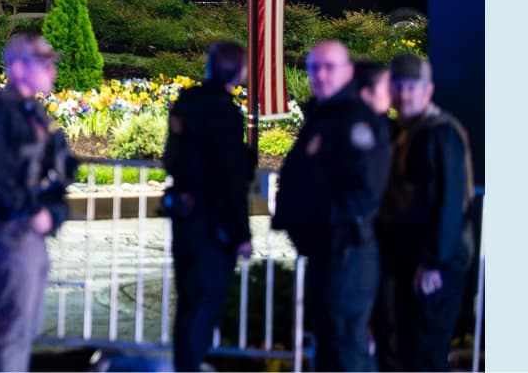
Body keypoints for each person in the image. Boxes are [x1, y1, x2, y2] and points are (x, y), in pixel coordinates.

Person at [272, 40, 392, 372]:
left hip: (346, 250)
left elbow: (365, 190)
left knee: (344, 346)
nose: (320, 75)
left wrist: (318, 223)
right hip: (329, 251)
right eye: (314, 67)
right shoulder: (327, 116)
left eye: (329, 67)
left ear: (348, 72)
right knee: (330, 345)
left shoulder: (355, 121)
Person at [0, 32, 75, 372]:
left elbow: (56, 167)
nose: (52, 70)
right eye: (43, 63)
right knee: (15, 327)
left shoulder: (30, 111)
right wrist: (32, 213)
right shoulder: (1, 112)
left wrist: (51, 209)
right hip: (11, 227)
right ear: (16, 68)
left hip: (23, 225)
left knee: (22, 325)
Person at [375, 54, 476, 373]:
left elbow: (450, 201)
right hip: (415, 263)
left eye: (412, 87)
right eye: (399, 86)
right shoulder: (409, 132)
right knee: (409, 352)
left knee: (425, 356)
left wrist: (434, 262)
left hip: (435, 269)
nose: (404, 94)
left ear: (428, 90)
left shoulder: (440, 133)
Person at [163, 40, 256, 373]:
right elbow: (230, 178)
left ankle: (184, 364)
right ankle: (189, 365)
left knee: (189, 301)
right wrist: (241, 233)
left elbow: (171, 158)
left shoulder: (187, 102)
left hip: (184, 216)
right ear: (239, 72)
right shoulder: (223, 111)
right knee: (205, 300)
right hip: (210, 219)